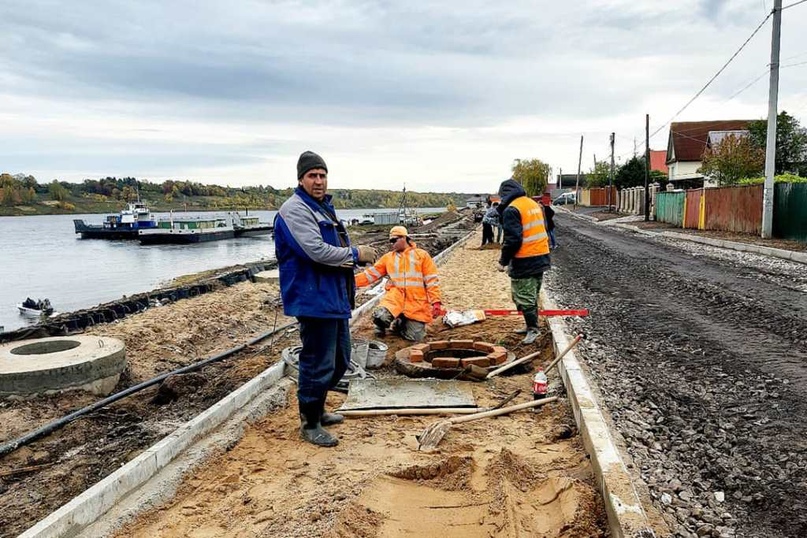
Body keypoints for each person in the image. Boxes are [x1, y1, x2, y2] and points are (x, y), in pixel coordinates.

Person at [274, 150, 377, 447]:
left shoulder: (321, 207)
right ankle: (309, 421)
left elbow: (332, 249)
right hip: (312, 296)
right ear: (300, 179)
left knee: (340, 359)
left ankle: (318, 407)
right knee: (317, 361)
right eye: (312, 176)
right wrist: (356, 254)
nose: (318, 181)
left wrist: (348, 258)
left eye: (322, 175)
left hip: (332, 296)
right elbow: (315, 251)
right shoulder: (294, 210)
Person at [355, 225, 442, 342]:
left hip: (416, 303)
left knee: (415, 338)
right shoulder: (388, 258)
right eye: (390, 241)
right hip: (395, 299)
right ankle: (381, 326)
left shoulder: (422, 256)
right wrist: (350, 281)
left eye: (394, 240)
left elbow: (431, 280)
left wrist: (435, 302)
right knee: (380, 315)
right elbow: (370, 275)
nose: (392, 244)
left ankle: (401, 324)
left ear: (404, 238)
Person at [496, 179, 551, 345]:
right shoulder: (532, 204)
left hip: (525, 258)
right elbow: (545, 227)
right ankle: (530, 325)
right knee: (532, 292)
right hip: (541, 255)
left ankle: (533, 329)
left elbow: (513, 239)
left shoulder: (512, 209)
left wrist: (503, 261)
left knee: (523, 295)